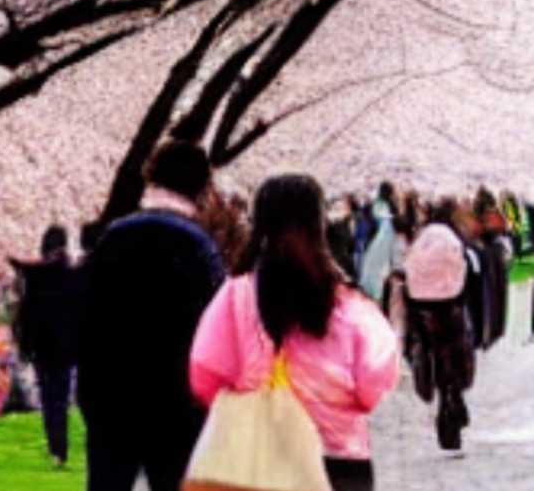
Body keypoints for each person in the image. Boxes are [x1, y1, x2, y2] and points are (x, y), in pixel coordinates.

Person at [189, 174, 399, 491]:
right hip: (339, 457)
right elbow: (375, 379)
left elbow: (205, 372)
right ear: (318, 223)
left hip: (257, 458)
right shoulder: (346, 302)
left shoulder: (236, 295)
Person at [78, 140, 225, 491]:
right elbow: (213, 333)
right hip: (176, 401)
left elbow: (86, 319)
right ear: (201, 188)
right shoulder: (200, 247)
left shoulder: (114, 237)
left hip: (111, 394)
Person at [403, 201, 475, 454]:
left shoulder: (422, 238)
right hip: (449, 304)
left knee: (434, 352)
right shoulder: (452, 238)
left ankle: (443, 394)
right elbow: (464, 271)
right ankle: (451, 406)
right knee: (452, 356)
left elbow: (408, 270)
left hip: (421, 305)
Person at [11, 225, 81, 468]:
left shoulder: (35, 277)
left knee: (49, 398)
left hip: (42, 347)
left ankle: (56, 448)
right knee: (60, 398)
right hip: (66, 347)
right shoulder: (72, 275)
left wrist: (24, 345)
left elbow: (26, 314)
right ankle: (60, 449)